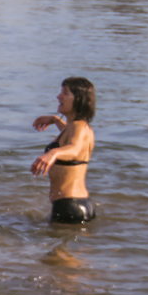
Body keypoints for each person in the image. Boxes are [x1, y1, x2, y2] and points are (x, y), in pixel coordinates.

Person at [31, 76, 97, 224]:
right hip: (80, 204)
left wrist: (52, 153)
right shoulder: (79, 127)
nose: (58, 96)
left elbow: (74, 149)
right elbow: (69, 138)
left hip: (69, 205)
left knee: (54, 247)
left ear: (79, 100)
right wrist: (55, 119)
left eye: (65, 93)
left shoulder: (78, 127)